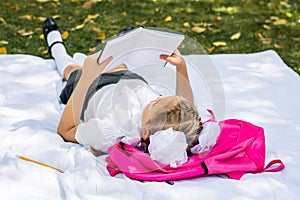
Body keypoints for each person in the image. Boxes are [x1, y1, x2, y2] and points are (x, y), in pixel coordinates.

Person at [43, 18, 203, 156]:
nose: (157, 98)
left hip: (92, 90)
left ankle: (55, 43)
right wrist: (181, 67)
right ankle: (122, 42)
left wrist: (87, 77)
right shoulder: (175, 126)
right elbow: (185, 106)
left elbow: (65, 130)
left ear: (146, 132)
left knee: (72, 70)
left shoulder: (112, 131)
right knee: (118, 62)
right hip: (127, 79)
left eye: (156, 102)